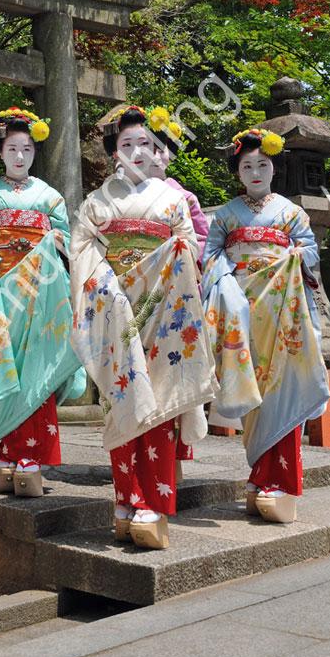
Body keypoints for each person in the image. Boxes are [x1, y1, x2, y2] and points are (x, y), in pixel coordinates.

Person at [70, 105, 218, 549]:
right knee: (122, 399)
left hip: (163, 313)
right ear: (115, 153)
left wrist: (163, 268)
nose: (137, 152)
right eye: (127, 144)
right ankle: (124, 500)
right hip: (115, 309)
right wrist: (110, 291)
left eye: (145, 145)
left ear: (156, 150)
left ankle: (151, 504)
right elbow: (82, 253)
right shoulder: (97, 203)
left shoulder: (172, 201)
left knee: (159, 400)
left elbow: (187, 249)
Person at [202, 128, 330, 523]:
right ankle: (259, 477)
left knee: (283, 389)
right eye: (247, 166)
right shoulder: (224, 215)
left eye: (262, 164)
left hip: (282, 311)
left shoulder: (292, 213)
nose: (255, 171)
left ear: (274, 167)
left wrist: (295, 255)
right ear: (237, 172)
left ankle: (282, 482)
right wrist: (226, 285)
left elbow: (309, 250)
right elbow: (210, 258)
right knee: (251, 389)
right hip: (242, 311)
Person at [0, 107, 86, 497]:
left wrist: (47, 247)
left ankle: (30, 458)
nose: (20, 156)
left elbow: (68, 242)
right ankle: (7, 456)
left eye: (27, 149)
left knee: (38, 367)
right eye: (13, 148)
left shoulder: (49, 196)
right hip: (2, 292)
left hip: (42, 295)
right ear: (0, 151)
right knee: (6, 368)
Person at [147, 119, 210, 476]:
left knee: (175, 371)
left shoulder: (184, 197)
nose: (153, 155)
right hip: (138, 294)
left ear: (170, 155)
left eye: (160, 148)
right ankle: (139, 450)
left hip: (176, 292)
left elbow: (202, 239)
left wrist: (176, 249)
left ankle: (173, 457)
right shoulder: (124, 195)